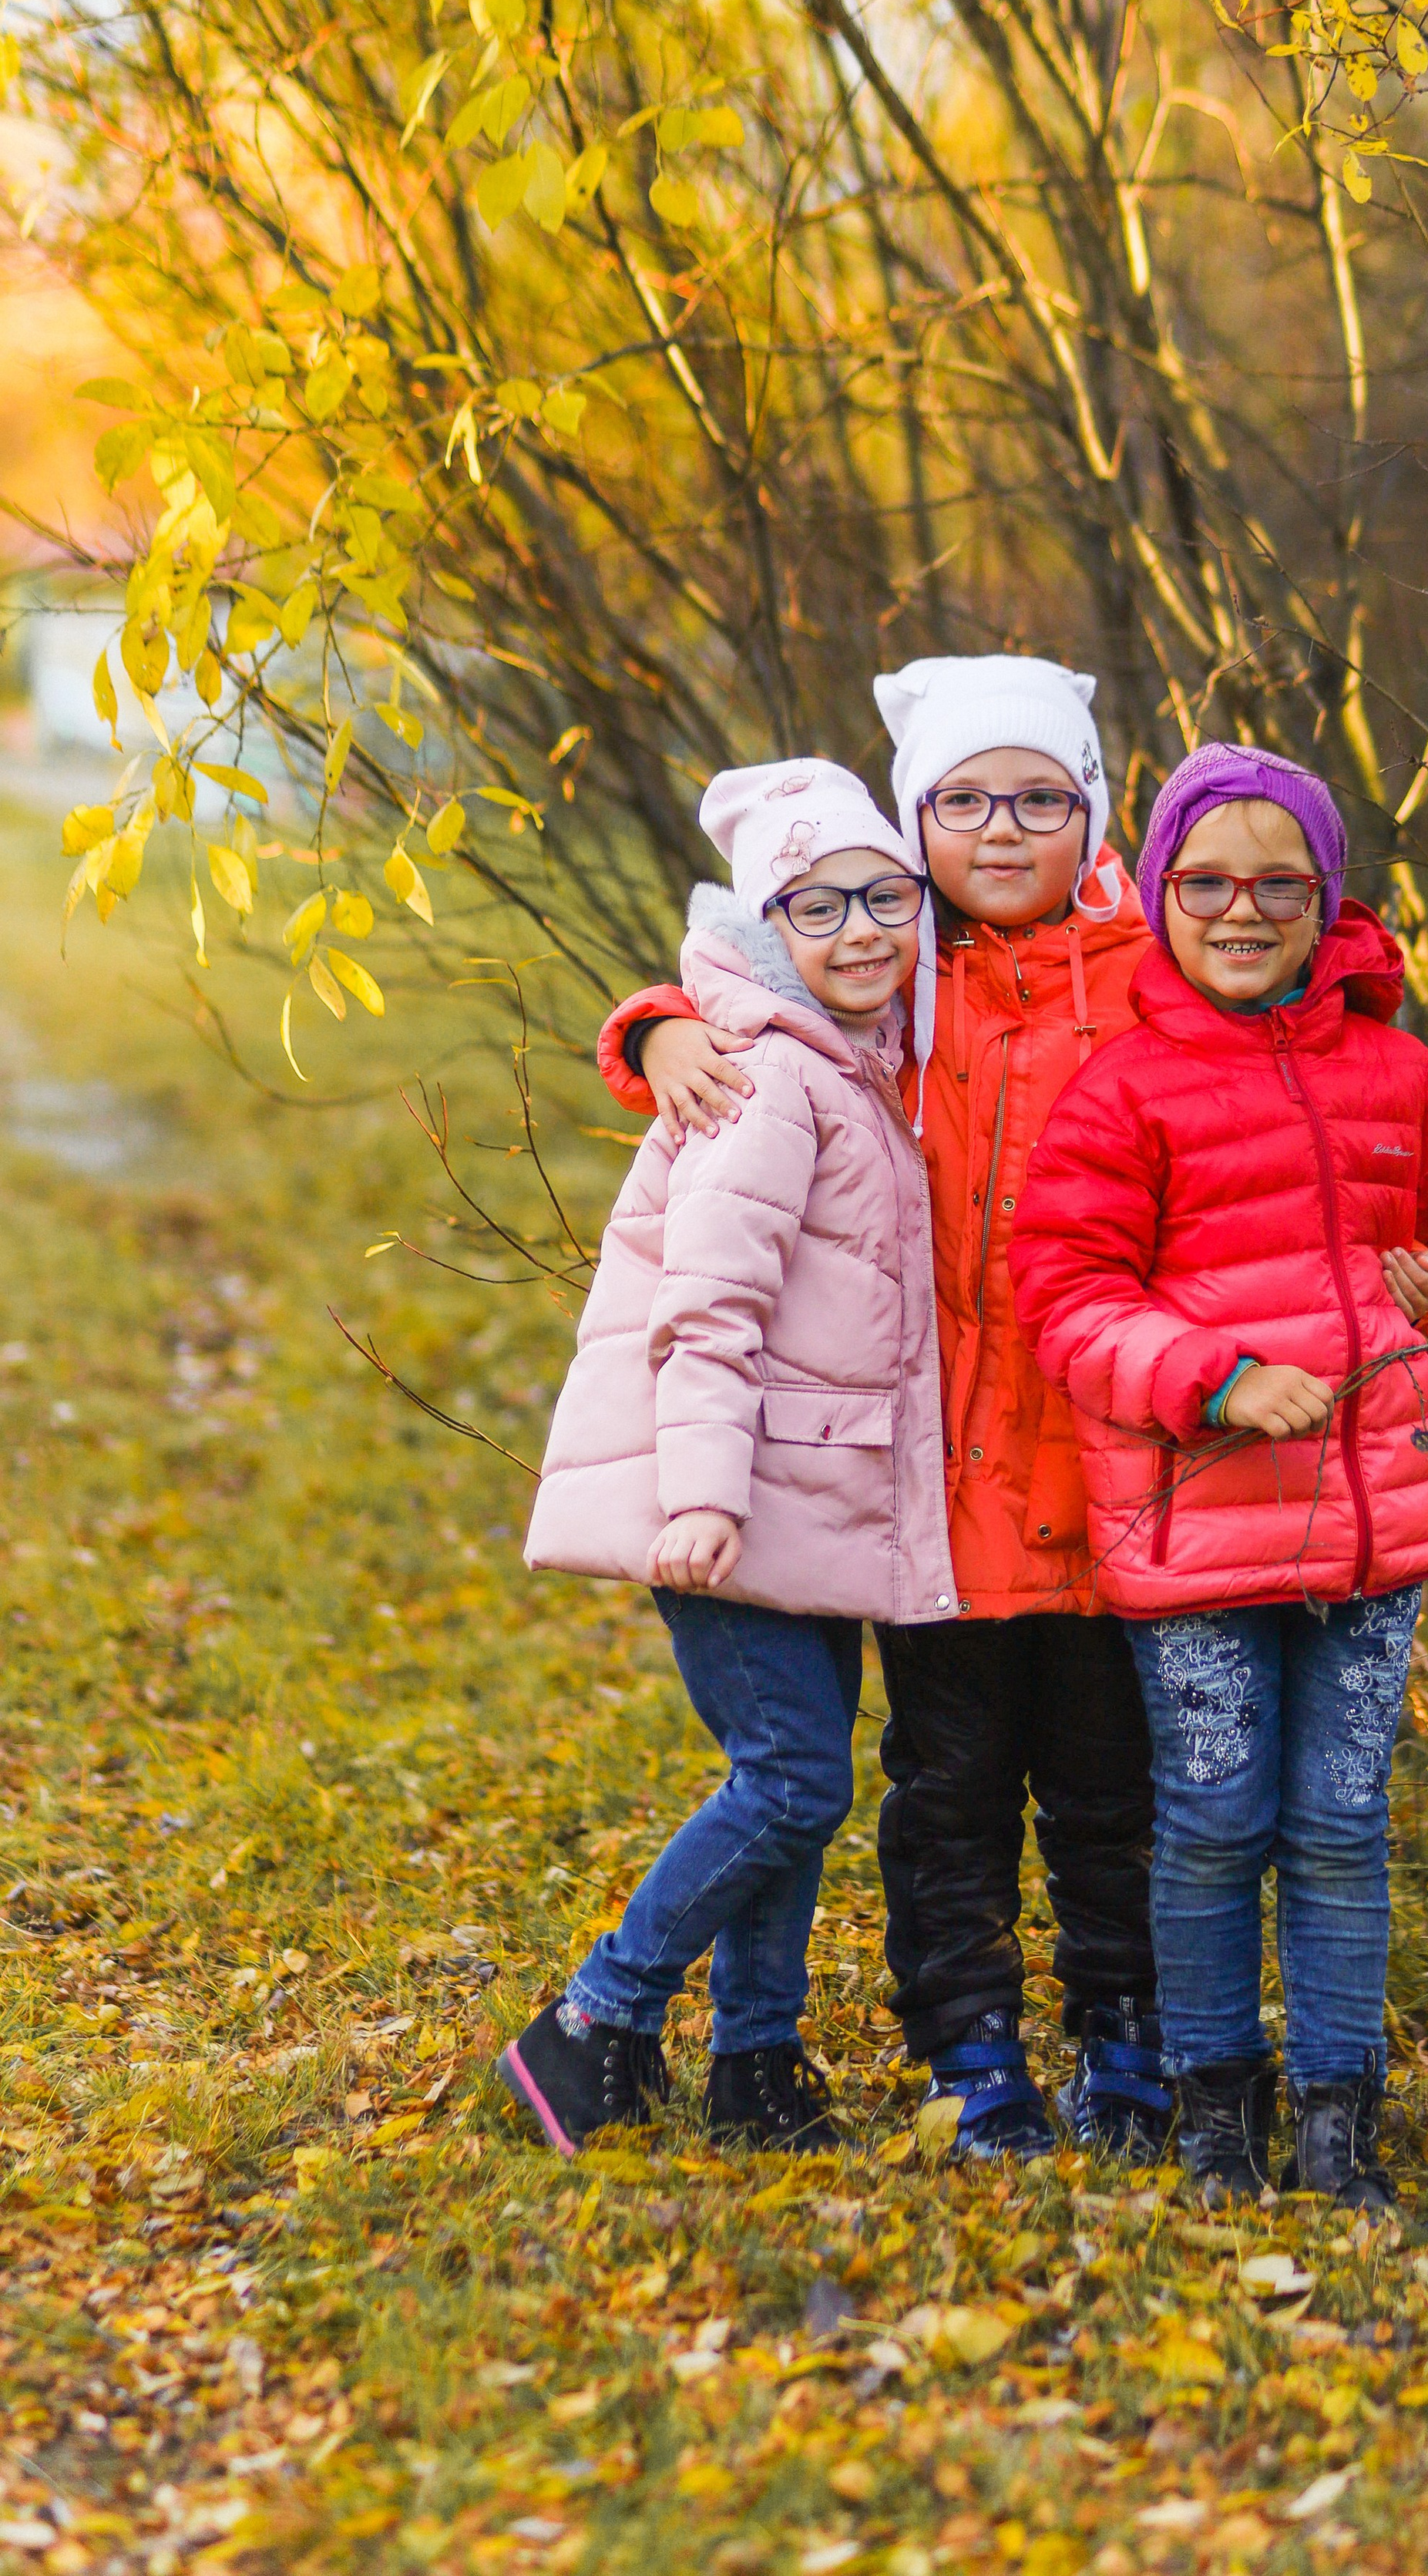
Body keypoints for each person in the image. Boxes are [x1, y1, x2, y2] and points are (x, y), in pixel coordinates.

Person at [593, 661, 1166, 2159]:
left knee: (1105, 1788)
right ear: (922, 825)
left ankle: (1118, 2045)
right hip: (935, 1484)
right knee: (933, 1781)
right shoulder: (910, 978)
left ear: (1090, 811)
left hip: (1103, 1455)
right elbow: (761, 995)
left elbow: (1272, 980)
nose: (998, 829)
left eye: (1038, 796)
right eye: (964, 802)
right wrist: (654, 1026)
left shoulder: (1132, 970)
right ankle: (954, 2052)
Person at [1007, 743, 1428, 2209]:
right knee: (1218, 1816)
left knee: (1343, 1826)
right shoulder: (1125, 1089)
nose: (1243, 912)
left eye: (1278, 885)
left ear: (1325, 898)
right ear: (1162, 891)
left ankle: (1338, 2118)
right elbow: (1069, 1300)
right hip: (1197, 1521)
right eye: (1208, 884)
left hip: (1373, 1527)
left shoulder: (1398, 1073)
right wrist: (1215, 1378)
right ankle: (1218, 2110)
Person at [503, 758, 956, 2158]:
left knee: (796, 1785)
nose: (864, 930)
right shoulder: (764, 1080)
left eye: (888, 898)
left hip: (800, 1496)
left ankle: (758, 2066)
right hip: (732, 1498)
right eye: (821, 908)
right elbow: (709, 1306)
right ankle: (592, 2018)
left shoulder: (855, 1065)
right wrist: (700, 1492)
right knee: (796, 1779)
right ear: (769, 931)